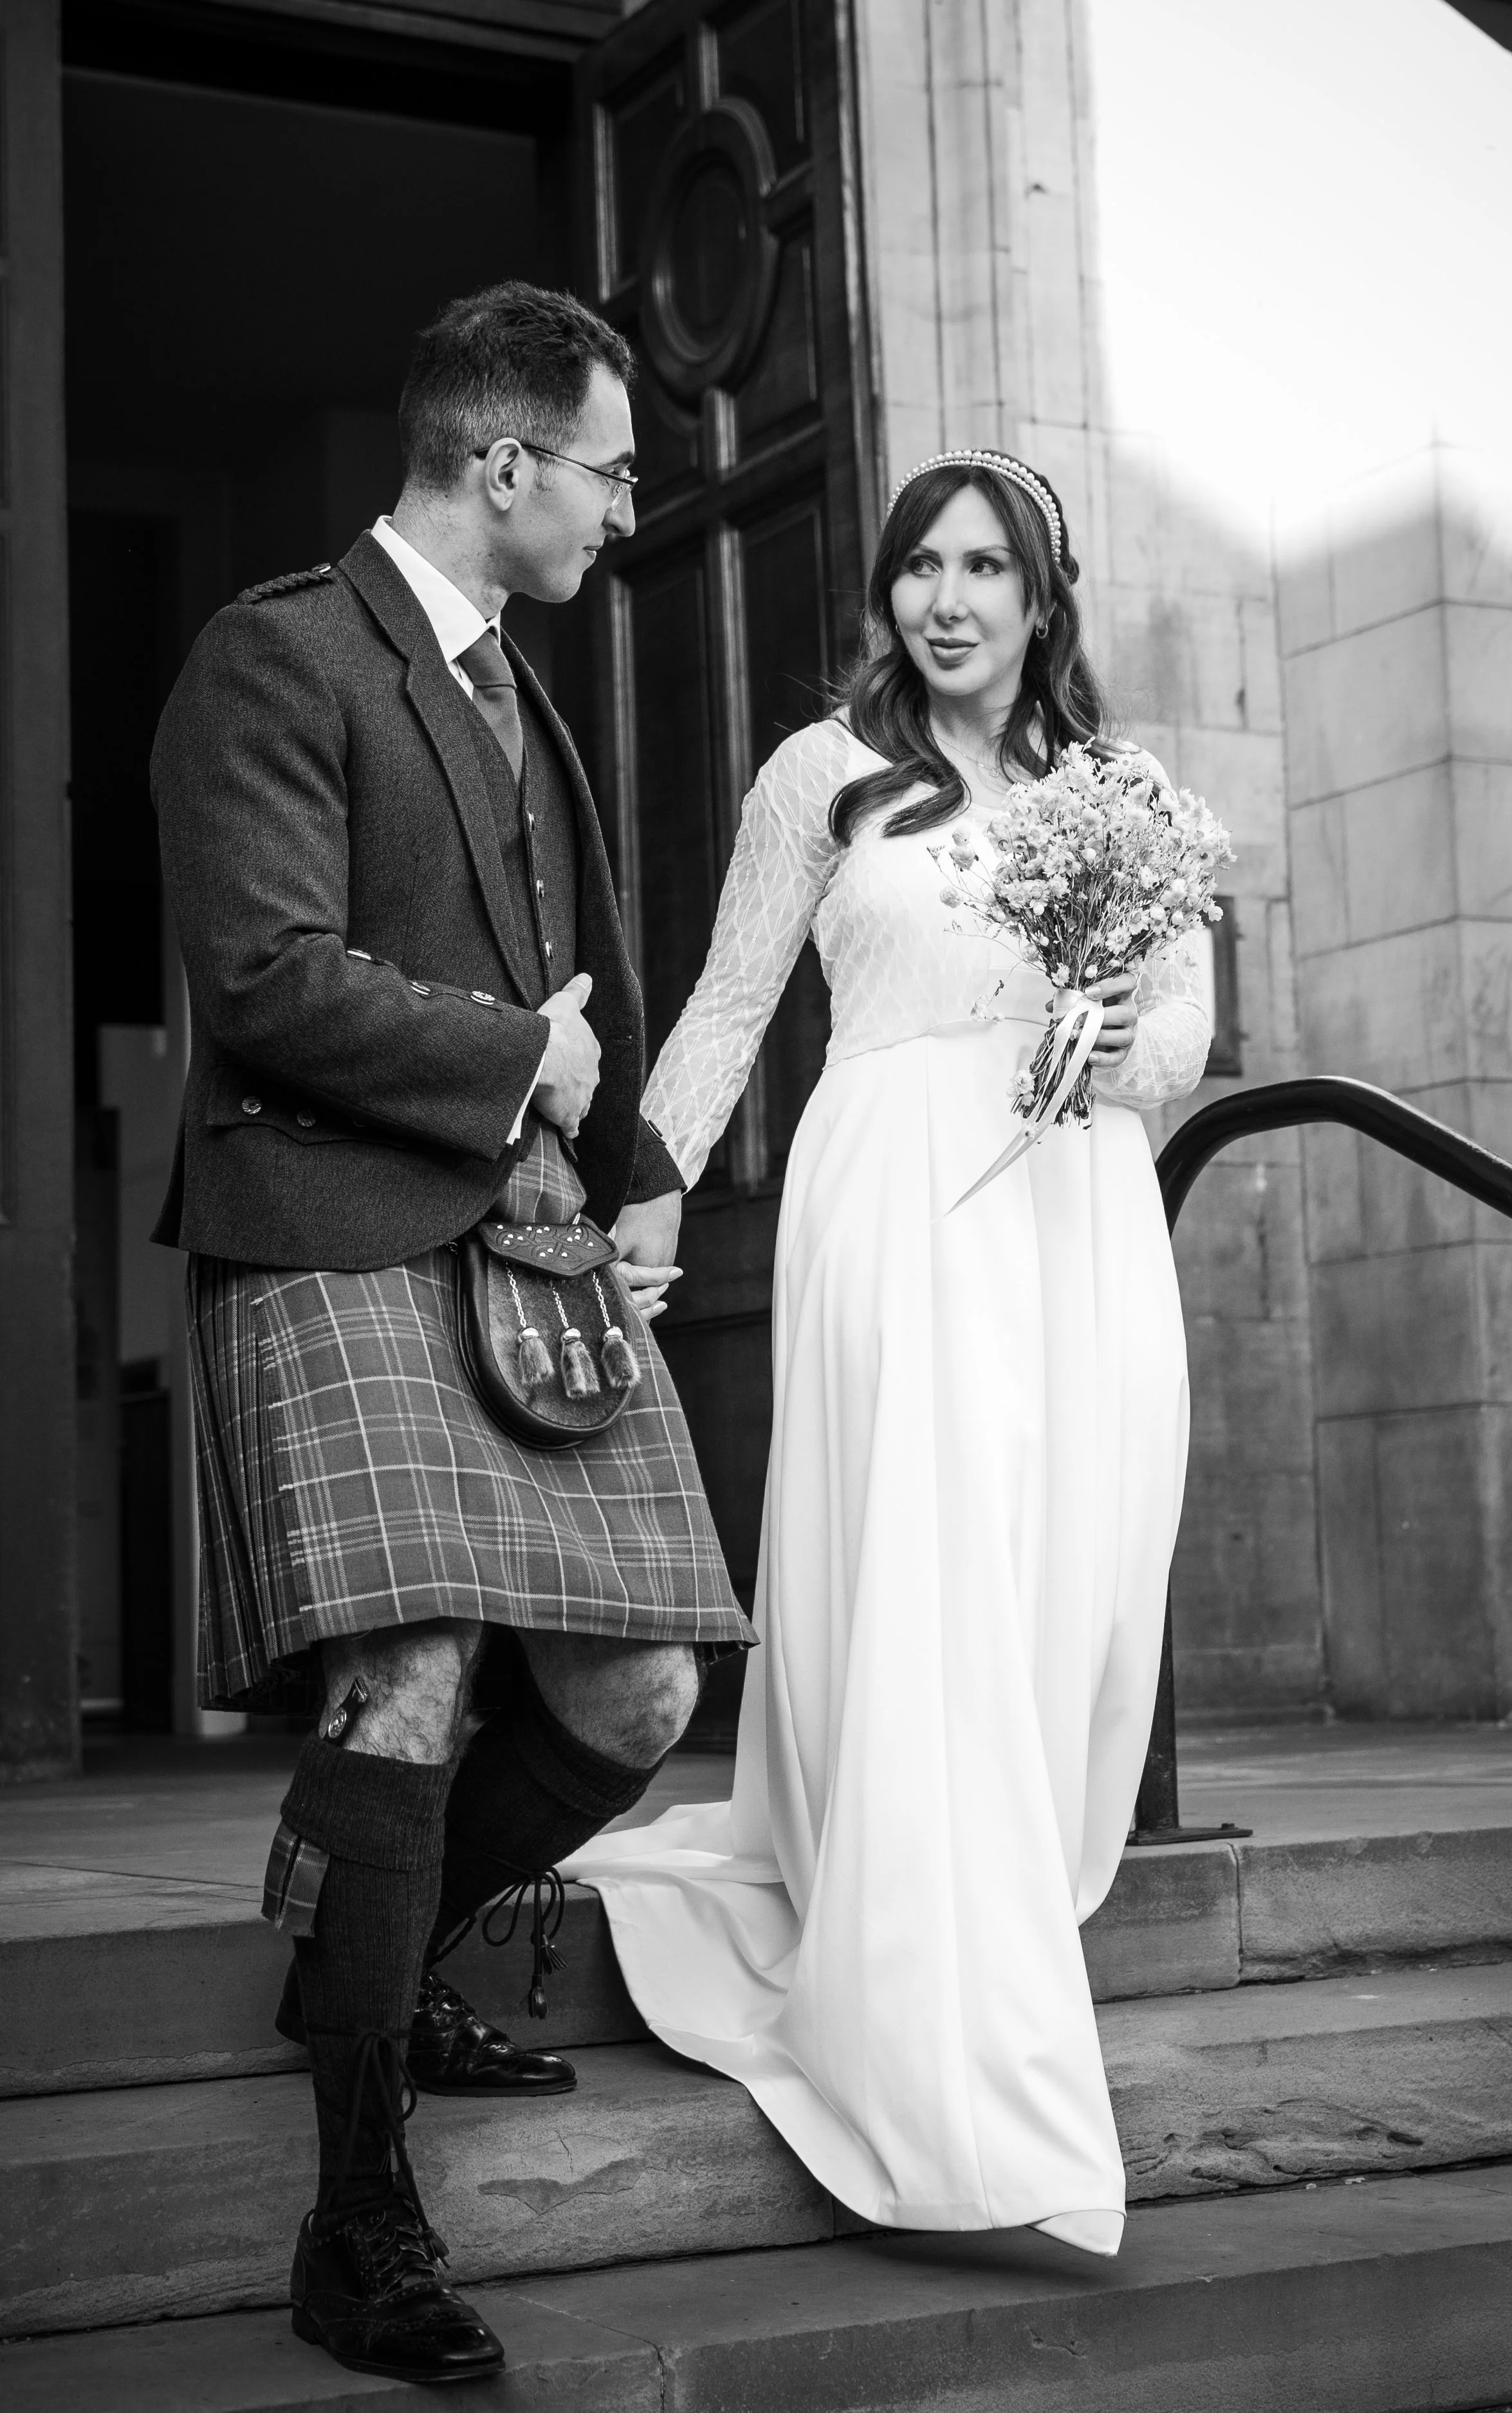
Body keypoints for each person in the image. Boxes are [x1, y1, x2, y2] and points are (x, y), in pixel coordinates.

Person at [151, 282, 751, 2383]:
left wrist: (638, 1161)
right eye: (607, 469)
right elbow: (263, 971)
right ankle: (356, 2215)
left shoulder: (524, 694)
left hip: (527, 1237)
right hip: (331, 1228)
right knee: (407, 1678)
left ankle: (379, 1954)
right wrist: (529, 1068)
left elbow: (578, 999)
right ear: (502, 462)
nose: (626, 509)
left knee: (639, 1687)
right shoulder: (279, 652)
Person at [571, 450, 1215, 2257]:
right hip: (892, 1205)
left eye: (984, 567)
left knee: (1057, 1584)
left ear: (1040, 596)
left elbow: (1185, 1030)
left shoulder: (1120, 794)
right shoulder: (820, 773)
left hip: (1070, 1214)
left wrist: (1124, 1041)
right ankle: (954, 2032)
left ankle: (996, 1898)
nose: (947, 599)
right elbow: (727, 1004)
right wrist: (645, 1193)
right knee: (926, 1570)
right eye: (920, 566)